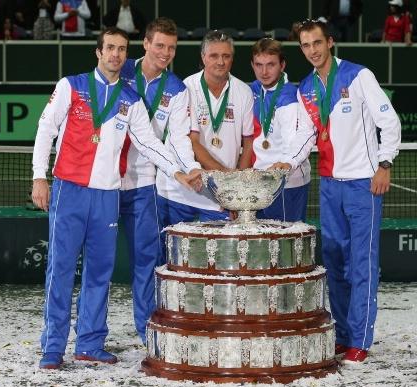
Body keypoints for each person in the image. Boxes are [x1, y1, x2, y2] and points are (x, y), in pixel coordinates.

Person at [32, 27, 199, 370]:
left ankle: (90, 343)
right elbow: (45, 129)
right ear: (98, 52)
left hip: (109, 193)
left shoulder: (130, 100)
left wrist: (178, 172)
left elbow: (150, 144)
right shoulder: (72, 86)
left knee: (99, 273)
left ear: (126, 54)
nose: (115, 54)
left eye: (121, 49)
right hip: (69, 190)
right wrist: (39, 177)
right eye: (109, 48)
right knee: (61, 269)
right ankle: (53, 346)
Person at [274, 20, 401, 364]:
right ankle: (343, 335)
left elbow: (389, 122)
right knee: (335, 264)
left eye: (317, 43)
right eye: (305, 45)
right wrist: (287, 162)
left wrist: (384, 164)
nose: (313, 50)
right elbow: (305, 137)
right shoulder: (306, 88)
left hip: (364, 184)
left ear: (329, 42)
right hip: (329, 185)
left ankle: (360, 338)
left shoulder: (359, 76)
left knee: (362, 265)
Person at [118, 17, 202, 344]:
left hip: (144, 181)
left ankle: (146, 330)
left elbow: (179, 138)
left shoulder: (177, 90)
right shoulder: (119, 68)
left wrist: (190, 167)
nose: (165, 53)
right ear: (146, 44)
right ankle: (87, 338)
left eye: (171, 47)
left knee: (146, 259)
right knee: (95, 263)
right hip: (105, 179)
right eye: (159, 46)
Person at [157, 30, 254, 226]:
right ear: (203, 57)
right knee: (172, 255)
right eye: (214, 56)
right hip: (180, 190)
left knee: (218, 255)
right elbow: (191, 142)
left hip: (217, 196)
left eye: (226, 56)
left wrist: (235, 189)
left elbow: (249, 143)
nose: (220, 62)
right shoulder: (186, 88)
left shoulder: (243, 91)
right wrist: (225, 175)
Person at [250, 38, 310, 222]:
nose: (264, 71)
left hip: (286, 183)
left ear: (282, 65)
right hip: (256, 182)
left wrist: (280, 171)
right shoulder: (250, 90)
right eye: (259, 65)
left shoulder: (290, 96)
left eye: (270, 65)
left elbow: (293, 143)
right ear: (252, 65)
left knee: (286, 245)